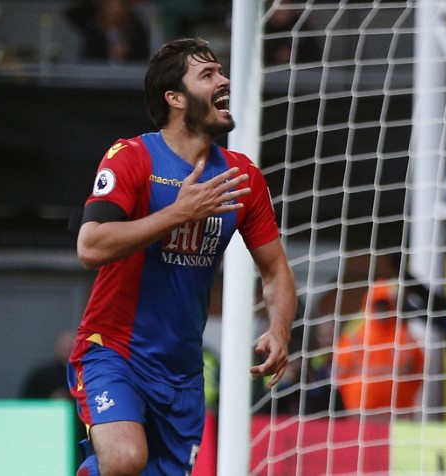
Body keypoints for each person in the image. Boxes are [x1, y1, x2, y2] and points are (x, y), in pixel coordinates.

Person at [68, 38, 296, 475]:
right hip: (113, 350)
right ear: (175, 97)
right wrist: (179, 212)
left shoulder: (241, 176)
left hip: (182, 373)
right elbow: (89, 245)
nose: (223, 80)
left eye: (221, 72)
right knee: (125, 458)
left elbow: (276, 270)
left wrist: (280, 330)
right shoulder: (132, 157)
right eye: (208, 75)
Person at [334, 280, 424, 417]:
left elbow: (419, 372)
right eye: (378, 305)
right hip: (361, 412)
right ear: (369, 305)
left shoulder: (405, 337)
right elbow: (340, 374)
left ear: (392, 306)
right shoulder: (354, 337)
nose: (381, 310)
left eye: (385, 305)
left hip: (398, 412)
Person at [65, 0, 150, 62]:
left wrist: (129, 51)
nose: (116, 10)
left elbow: (143, 54)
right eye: (111, 6)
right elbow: (71, 13)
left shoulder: (135, 27)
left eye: (120, 6)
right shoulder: (94, 27)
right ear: (104, 9)